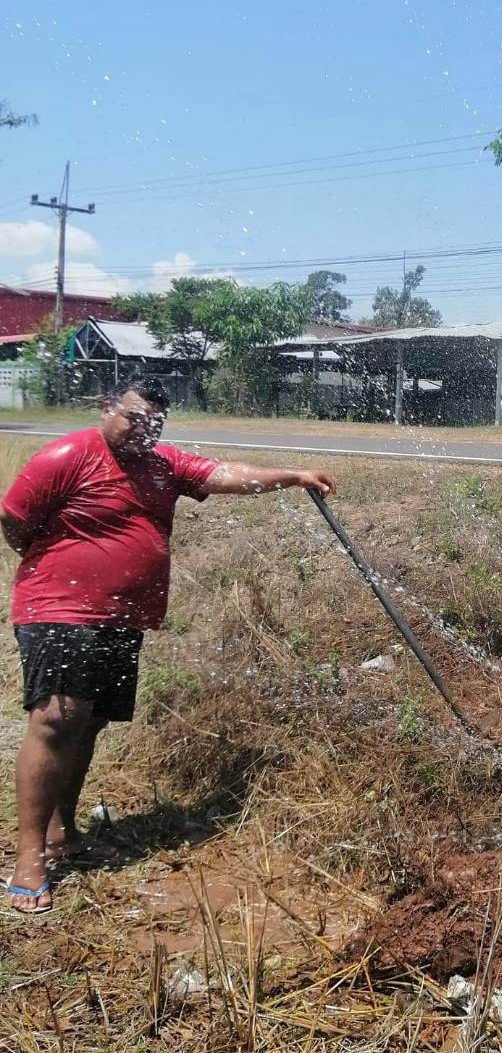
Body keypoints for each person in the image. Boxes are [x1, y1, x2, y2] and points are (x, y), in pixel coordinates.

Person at [1, 380, 336, 914]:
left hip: (120, 619)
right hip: (59, 610)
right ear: (108, 407)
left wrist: (292, 476)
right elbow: (15, 521)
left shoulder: (163, 465)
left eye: (153, 423)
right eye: (133, 417)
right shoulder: (69, 454)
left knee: (88, 723)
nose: (142, 429)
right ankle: (28, 861)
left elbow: (225, 475)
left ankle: (64, 832)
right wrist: (67, 565)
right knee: (57, 721)